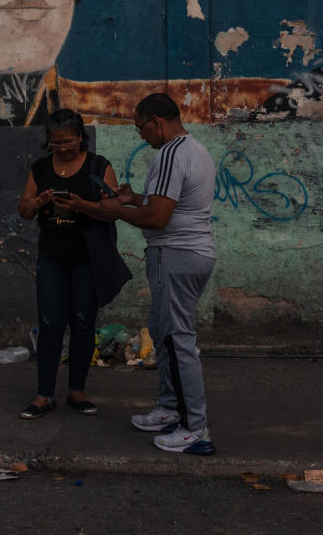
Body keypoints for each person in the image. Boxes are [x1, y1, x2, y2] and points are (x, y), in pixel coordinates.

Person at [110, 93, 216, 456]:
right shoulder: (195, 149)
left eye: (140, 127)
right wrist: (134, 198)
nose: (141, 136)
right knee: (163, 332)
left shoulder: (170, 153)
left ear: (156, 121)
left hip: (176, 255)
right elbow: (165, 204)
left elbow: (158, 219)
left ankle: (195, 429)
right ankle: (171, 409)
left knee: (177, 339)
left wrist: (113, 211)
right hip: (189, 253)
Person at [16, 109, 118, 419]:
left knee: (83, 324)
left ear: (80, 137)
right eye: (56, 142)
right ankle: (44, 394)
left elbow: (113, 209)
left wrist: (81, 205)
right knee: (50, 326)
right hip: (51, 258)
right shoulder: (40, 168)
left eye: (69, 141)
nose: (63, 147)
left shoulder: (99, 166)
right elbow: (24, 209)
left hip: (88, 259)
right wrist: (35, 203)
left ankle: (77, 390)